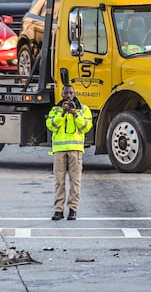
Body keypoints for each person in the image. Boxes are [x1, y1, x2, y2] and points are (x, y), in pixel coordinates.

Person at [46, 85, 92, 221]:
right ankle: (58, 210)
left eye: (71, 93)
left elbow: (86, 127)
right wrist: (62, 114)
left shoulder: (83, 109)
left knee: (75, 181)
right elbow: (51, 126)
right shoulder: (55, 110)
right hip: (59, 151)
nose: (69, 95)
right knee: (59, 182)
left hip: (75, 150)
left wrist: (75, 114)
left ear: (75, 94)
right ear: (62, 94)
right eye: (66, 93)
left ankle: (73, 209)